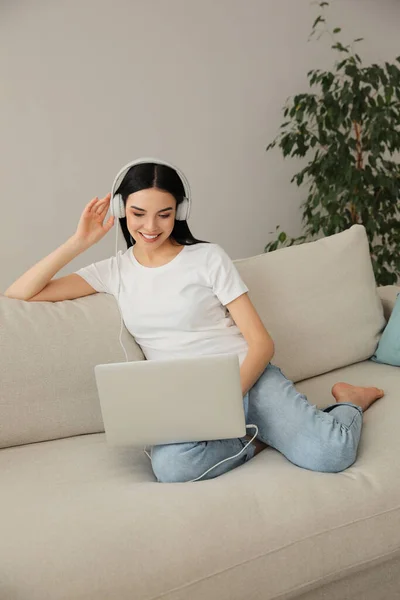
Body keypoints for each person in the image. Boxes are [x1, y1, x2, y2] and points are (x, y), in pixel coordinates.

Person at [5, 161, 385, 483]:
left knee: (330, 454)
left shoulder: (207, 258)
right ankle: (256, 440)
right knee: (172, 468)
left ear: (180, 212)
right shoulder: (114, 271)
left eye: (164, 214)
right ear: (122, 210)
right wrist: (79, 241)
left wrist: (227, 398)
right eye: (138, 213)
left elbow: (261, 342)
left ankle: (349, 401)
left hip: (249, 377)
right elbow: (21, 293)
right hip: (186, 397)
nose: (151, 226)